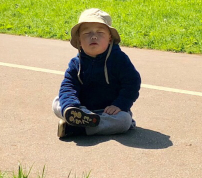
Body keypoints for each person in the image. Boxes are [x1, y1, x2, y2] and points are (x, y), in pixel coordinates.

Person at [53, 8, 141, 139]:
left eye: (100, 32)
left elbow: (132, 83)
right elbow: (68, 86)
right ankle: (77, 117)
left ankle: (77, 128)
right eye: (87, 33)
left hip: (109, 112)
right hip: (82, 108)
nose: (93, 36)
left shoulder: (119, 59)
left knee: (124, 121)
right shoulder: (76, 63)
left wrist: (120, 104)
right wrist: (71, 106)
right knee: (57, 102)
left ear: (110, 38)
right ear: (79, 41)